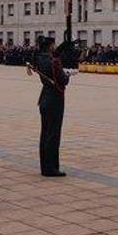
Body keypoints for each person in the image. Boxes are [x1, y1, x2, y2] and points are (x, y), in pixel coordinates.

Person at [35, 36, 71, 177]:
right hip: (54, 99)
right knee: (53, 134)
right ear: (49, 46)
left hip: (45, 97)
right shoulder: (52, 62)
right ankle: (51, 168)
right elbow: (62, 79)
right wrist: (67, 75)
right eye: (53, 44)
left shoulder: (40, 59)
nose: (55, 46)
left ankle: (45, 166)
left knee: (45, 133)